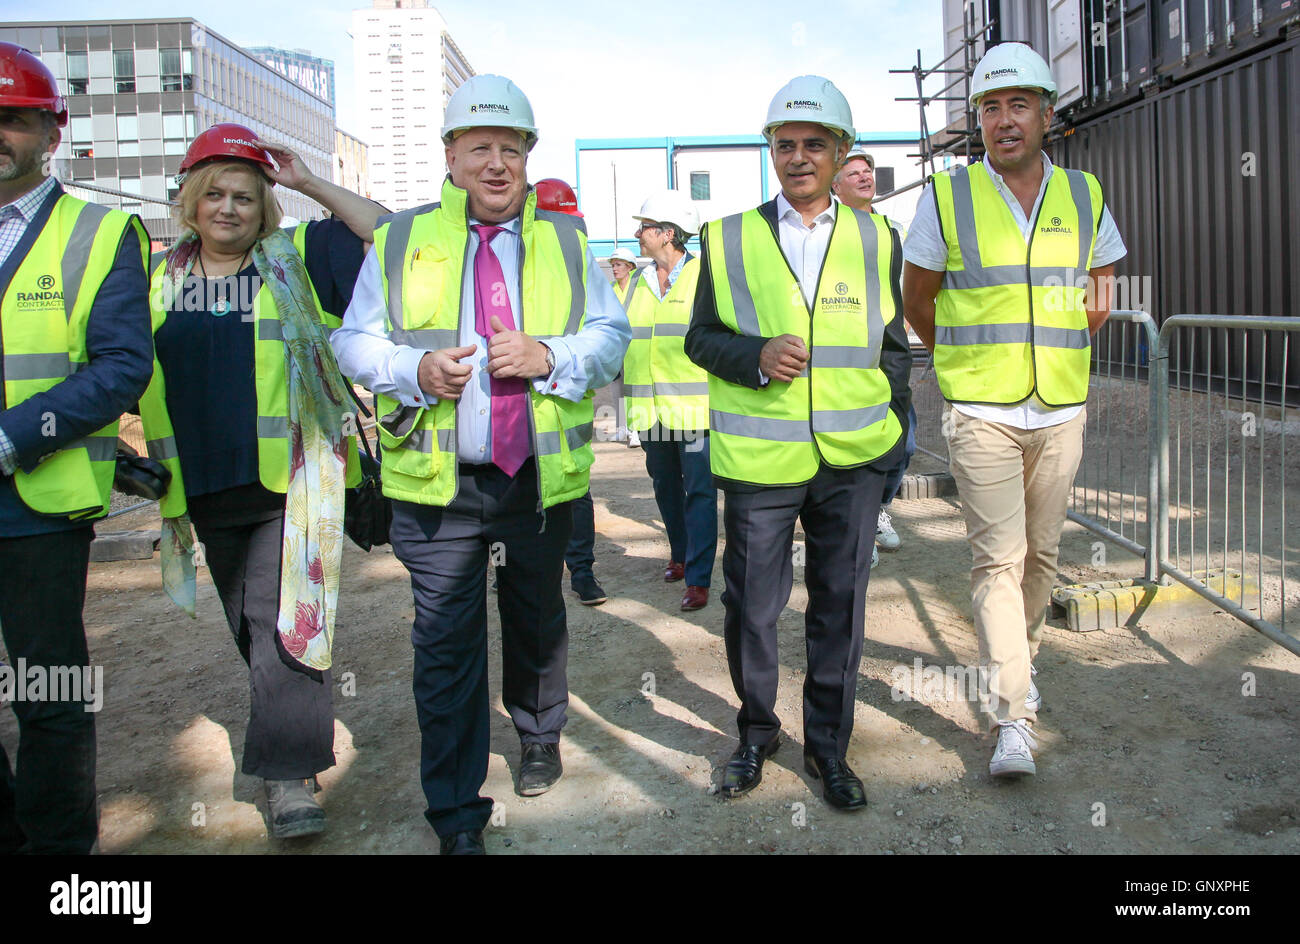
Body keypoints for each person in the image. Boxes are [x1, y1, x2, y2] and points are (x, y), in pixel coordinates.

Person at [332, 74, 630, 855]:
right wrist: (410, 371)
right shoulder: (399, 241)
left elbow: (611, 335)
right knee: (445, 644)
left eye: (511, 149)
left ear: (527, 158)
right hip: (437, 485)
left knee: (536, 620)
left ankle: (538, 732)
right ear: (451, 156)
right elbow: (352, 340)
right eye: (480, 148)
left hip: (533, 478)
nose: (496, 164)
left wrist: (552, 354)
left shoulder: (566, 242)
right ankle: (456, 812)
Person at [138, 123, 383, 837]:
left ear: (265, 208)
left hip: (292, 487)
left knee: (283, 628)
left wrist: (306, 181)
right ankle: (292, 744)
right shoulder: (158, 279)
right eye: (213, 193)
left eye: (245, 197)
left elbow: (391, 236)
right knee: (253, 630)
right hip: (201, 491)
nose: (228, 208)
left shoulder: (296, 261)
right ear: (189, 200)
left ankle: (288, 778)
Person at [685, 76, 912, 811]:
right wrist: (752, 356)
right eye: (785, 145)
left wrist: (896, 441)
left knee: (839, 607)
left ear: (841, 151)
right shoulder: (726, 237)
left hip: (853, 462)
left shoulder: (879, 236)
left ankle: (829, 748)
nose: (799, 157)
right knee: (751, 607)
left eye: (815, 144)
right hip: (761, 461)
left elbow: (892, 347)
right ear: (770, 151)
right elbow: (700, 339)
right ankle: (756, 734)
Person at [901, 42, 1125, 778]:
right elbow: (918, 299)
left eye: (1017, 104)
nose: (1003, 120)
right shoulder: (947, 195)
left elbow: (1101, 289)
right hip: (983, 410)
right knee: (998, 561)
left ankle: (1015, 669)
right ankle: (1014, 719)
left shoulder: (1084, 193)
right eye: (991, 107)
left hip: (1060, 405)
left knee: (1044, 559)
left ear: (1046, 114)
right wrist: (965, 360)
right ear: (980, 121)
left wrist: (1056, 346)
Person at [0, 42, 154, 853]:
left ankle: (60, 856)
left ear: (50, 133)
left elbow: (124, 365)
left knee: (46, 691)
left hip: (37, 503)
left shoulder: (98, 232)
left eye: (14, 119)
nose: (0, 132)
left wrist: (11, 437)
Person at [626, 190, 716, 611]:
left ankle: (698, 577)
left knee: (699, 491)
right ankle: (680, 555)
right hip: (650, 410)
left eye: (644, 227)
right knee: (665, 487)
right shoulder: (636, 283)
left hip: (695, 409)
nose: (638, 233)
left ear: (667, 233)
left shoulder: (704, 278)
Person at [833, 146, 914, 560]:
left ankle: (877, 509)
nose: (866, 177)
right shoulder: (830, 234)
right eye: (855, 173)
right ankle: (860, 528)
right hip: (849, 355)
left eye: (868, 171)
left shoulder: (891, 230)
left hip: (891, 349)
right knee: (856, 441)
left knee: (905, 441)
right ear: (836, 185)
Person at [534, 177, 607, 607]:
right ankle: (513, 570)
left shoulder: (579, 263)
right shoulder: (510, 263)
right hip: (518, 404)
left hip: (566, 403)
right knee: (518, 496)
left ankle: (582, 572)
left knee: (575, 493)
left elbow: (602, 338)